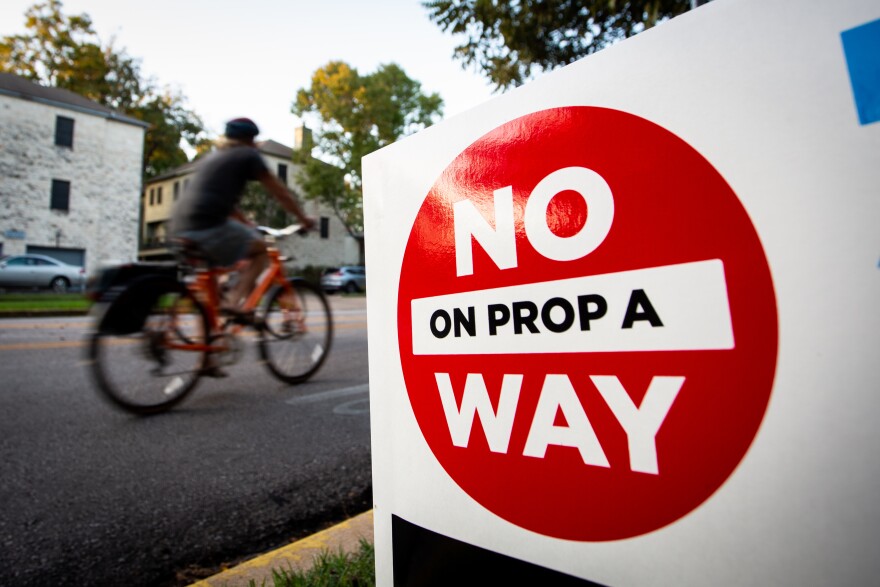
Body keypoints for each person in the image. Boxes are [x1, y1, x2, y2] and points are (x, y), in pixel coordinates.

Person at [170, 117, 315, 313]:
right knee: (261, 250)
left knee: (212, 280)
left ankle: (213, 336)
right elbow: (280, 192)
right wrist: (303, 219)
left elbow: (225, 205)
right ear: (250, 139)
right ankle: (234, 302)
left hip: (179, 225)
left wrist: (246, 223)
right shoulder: (247, 155)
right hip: (207, 225)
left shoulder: (215, 158)